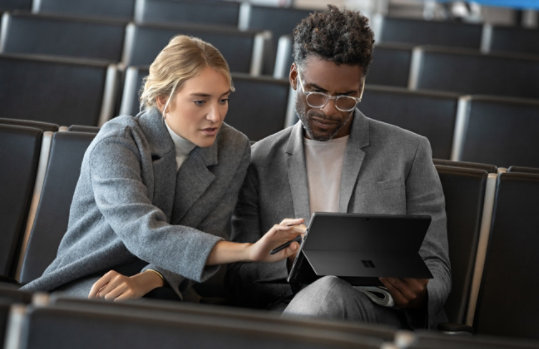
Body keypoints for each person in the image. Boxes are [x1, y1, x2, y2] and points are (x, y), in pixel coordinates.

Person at [21, 35, 304, 301]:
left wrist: (150, 278)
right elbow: (142, 230)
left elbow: (209, 232)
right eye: (200, 101)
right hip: (92, 277)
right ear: (162, 100)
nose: (215, 115)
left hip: (172, 285)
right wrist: (250, 251)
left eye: (223, 99)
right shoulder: (118, 140)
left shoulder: (233, 146)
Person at [226, 6, 451, 329]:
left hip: (376, 314)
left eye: (346, 98)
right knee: (324, 292)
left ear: (361, 89)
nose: (329, 110)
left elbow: (438, 266)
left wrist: (419, 295)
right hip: (288, 311)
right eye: (316, 94)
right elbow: (239, 276)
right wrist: (288, 262)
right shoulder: (257, 160)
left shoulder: (409, 152)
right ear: (294, 78)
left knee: (330, 292)